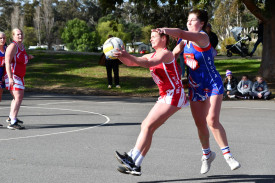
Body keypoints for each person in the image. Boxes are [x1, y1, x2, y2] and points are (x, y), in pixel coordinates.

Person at [155, 9, 241, 174]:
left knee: (212, 120)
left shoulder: (202, 37)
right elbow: (172, 55)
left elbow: (180, 32)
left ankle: (228, 156)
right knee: (200, 123)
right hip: (195, 86)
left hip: (212, 83)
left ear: (202, 23)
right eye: (188, 20)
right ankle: (207, 155)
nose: (189, 23)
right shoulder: (183, 41)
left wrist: (164, 30)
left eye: (193, 20)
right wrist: (161, 65)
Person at [114, 30, 188, 176]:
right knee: (147, 127)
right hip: (165, 95)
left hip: (174, 94)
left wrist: (128, 55)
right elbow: (131, 62)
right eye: (151, 37)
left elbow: (148, 63)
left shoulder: (165, 54)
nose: (151, 39)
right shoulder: (152, 54)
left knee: (147, 126)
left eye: (154, 36)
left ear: (164, 38)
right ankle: (136, 165)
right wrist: (121, 56)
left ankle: (131, 157)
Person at [5, 28, 34, 130]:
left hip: (20, 76)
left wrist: (28, 56)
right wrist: (10, 77)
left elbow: (21, 57)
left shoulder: (22, 46)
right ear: (13, 36)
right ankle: (13, 122)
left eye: (21, 34)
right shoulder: (12, 46)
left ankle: (11, 117)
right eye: (18, 34)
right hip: (14, 75)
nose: (20, 36)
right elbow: (7, 62)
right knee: (18, 97)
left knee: (16, 98)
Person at [0, 32, 6, 103]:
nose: (2, 40)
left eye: (4, 38)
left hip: (3, 75)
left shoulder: (6, 49)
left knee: (0, 94)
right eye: (0, 38)